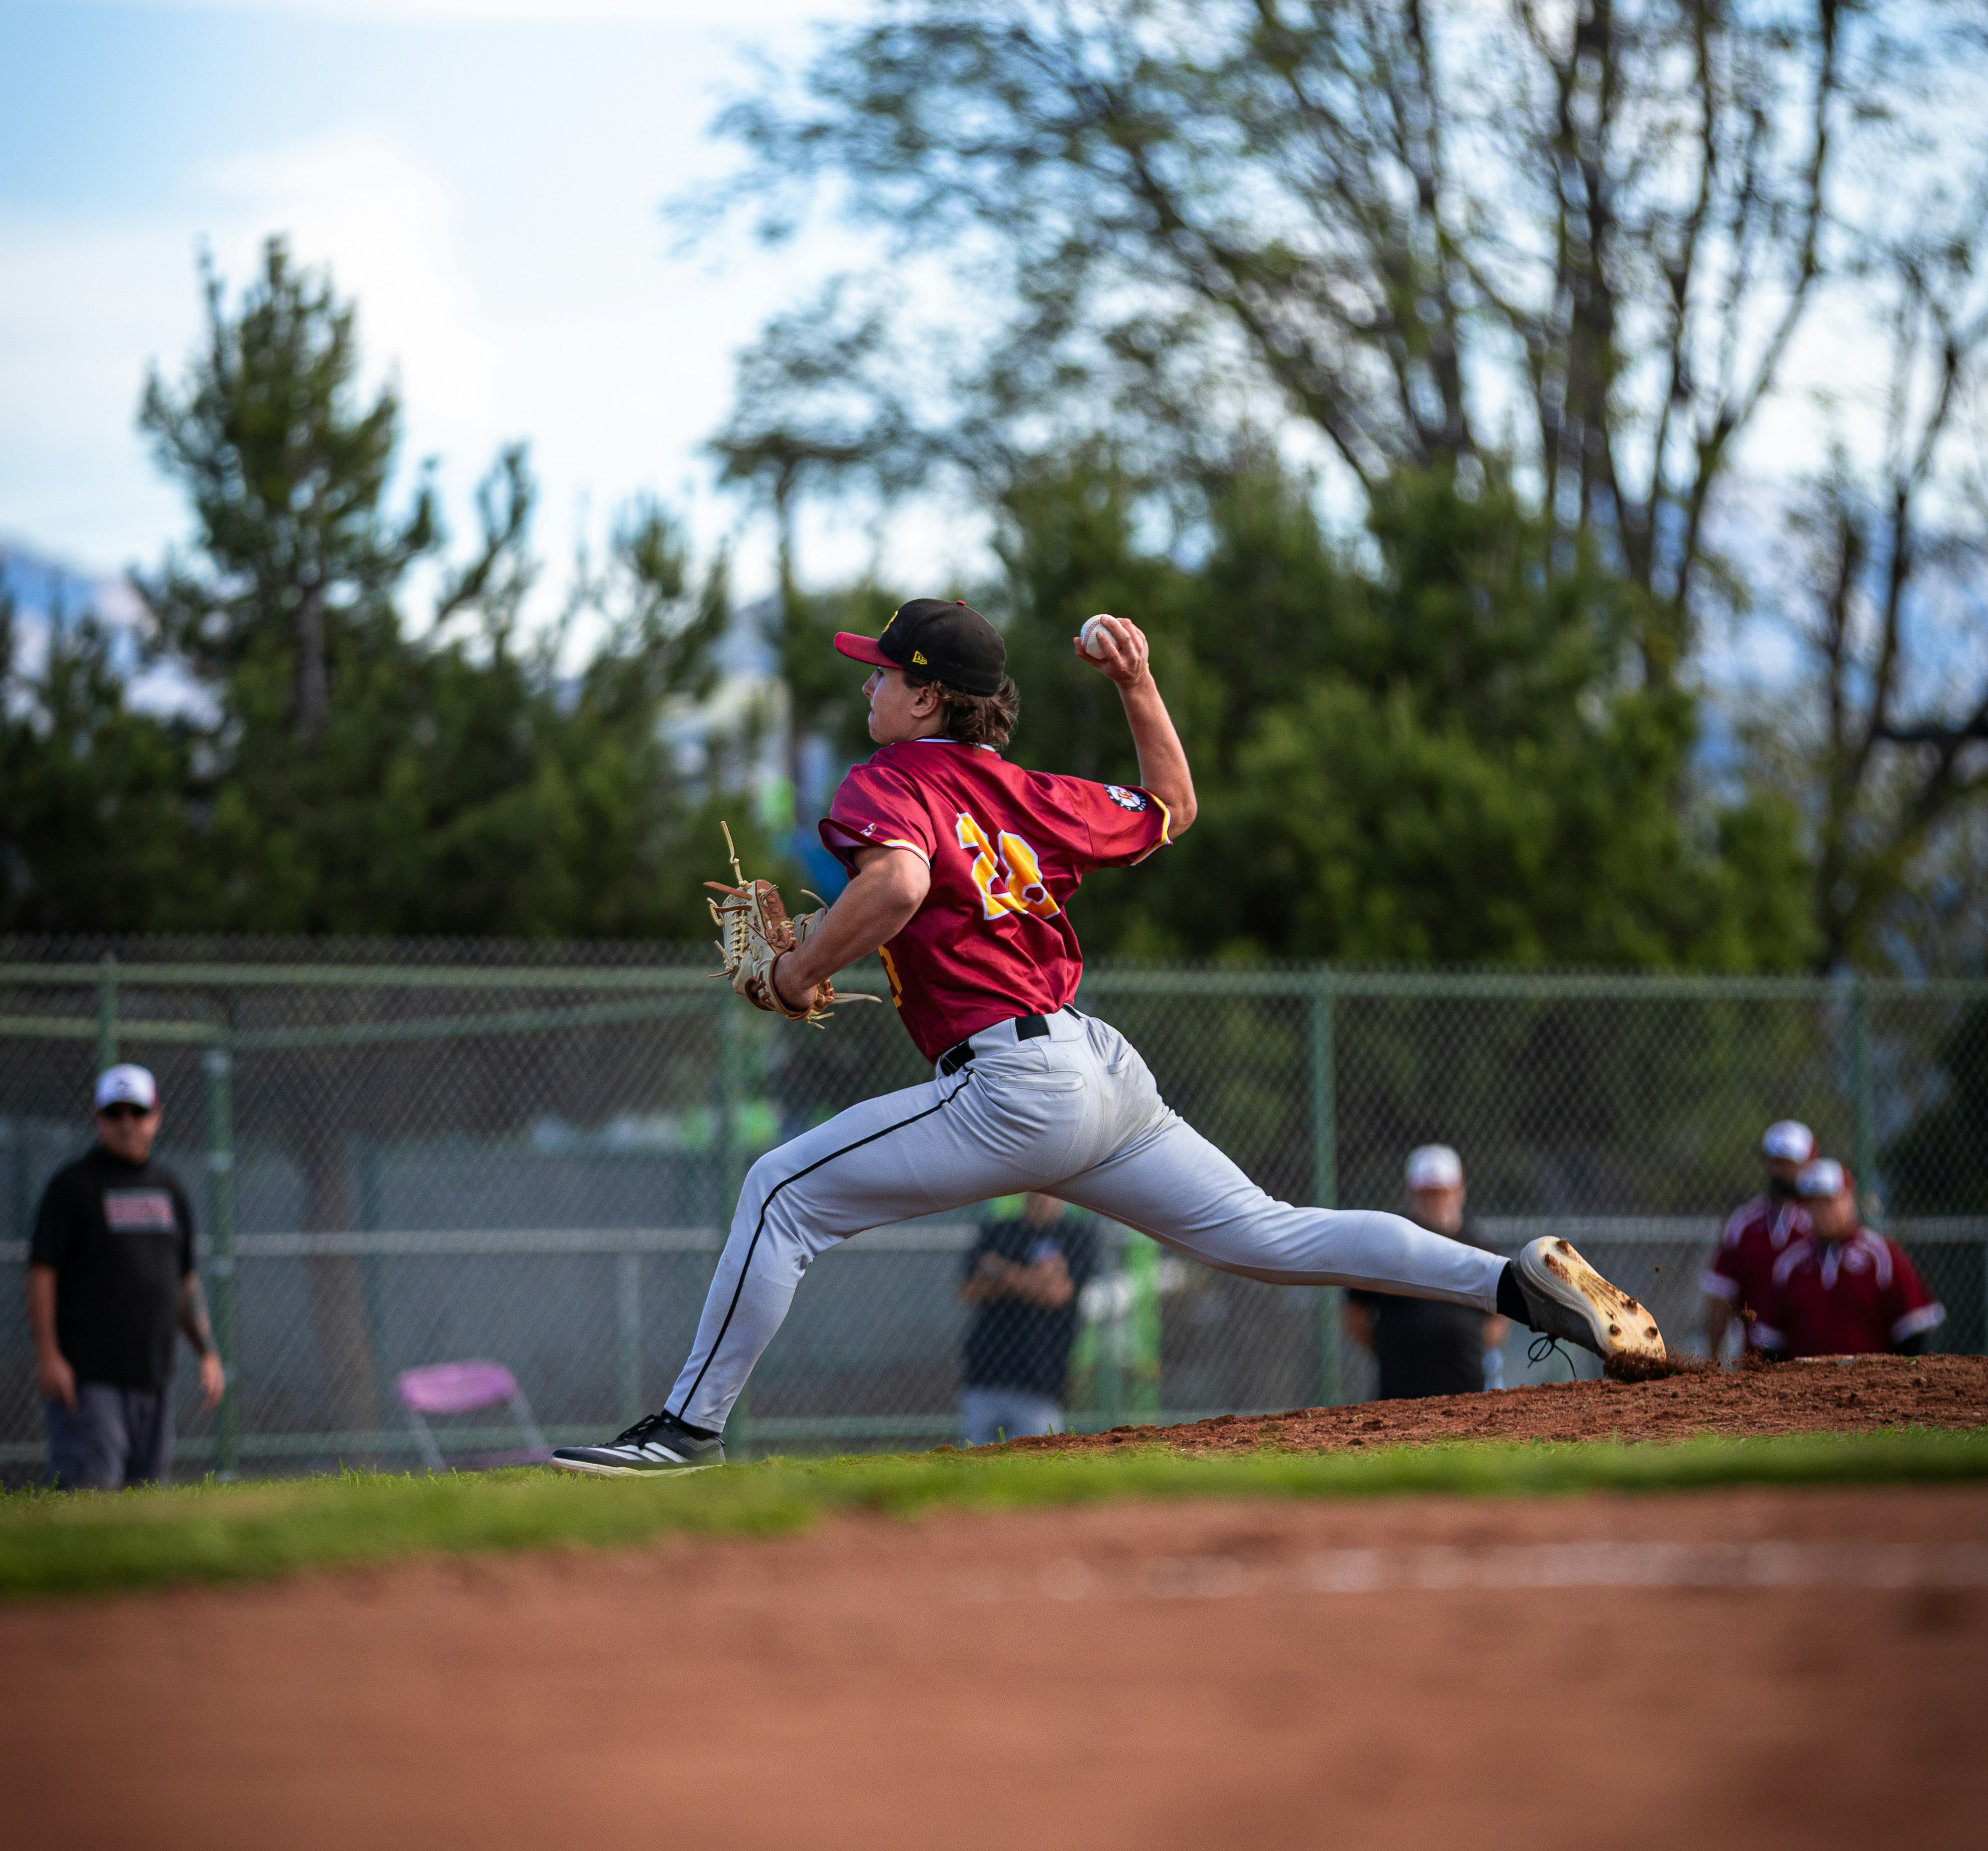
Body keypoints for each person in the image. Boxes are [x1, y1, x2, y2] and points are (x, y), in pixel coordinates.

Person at [552, 599, 1665, 1473]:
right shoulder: (1028, 791)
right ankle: (1514, 1283)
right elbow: (1172, 806)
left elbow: (896, 877)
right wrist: (1138, 680)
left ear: (929, 698)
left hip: (1013, 1085)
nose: (868, 683)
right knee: (1270, 1234)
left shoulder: (888, 778)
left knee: (780, 1193)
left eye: (885, 671)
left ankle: (682, 1430)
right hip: (1101, 1069)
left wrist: (799, 968)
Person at [27, 1063, 225, 1491]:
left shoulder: (169, 1189)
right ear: (98, 1118)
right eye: (114, 1114)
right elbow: (42, 1274)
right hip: (89, 1380)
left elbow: (183, 1282)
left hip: (153, 1378)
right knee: (89, 1502)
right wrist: (48, 1356)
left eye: (136, 1113)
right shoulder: (72, 1187)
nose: (126, 1124)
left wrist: (206, 1352)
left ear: (156, 1116)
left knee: (146, 1509)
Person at [1342, 1144, 1509, 1399]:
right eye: (1428, 1194)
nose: (1436, 1201)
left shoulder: (1480, 1247)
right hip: (1400, 1391)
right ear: (1413, 1193)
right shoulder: (1388, 1245)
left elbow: (1500, 1313)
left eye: (1443, 1193)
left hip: (1466, 1388)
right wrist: (1390, 1349)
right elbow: (1355, 1312)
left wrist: (1469, 1346)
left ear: (1460, 1190)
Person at [1752, 1159, 1946, 1360]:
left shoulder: (1882, 1256)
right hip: (1805, 1387)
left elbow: (1912, 1331)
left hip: (1874, 1385)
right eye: (1813, 1203)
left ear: (1849, 1199)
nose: (1821, 1212)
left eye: (1828, 1201)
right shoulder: (1789, 1264)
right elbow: (1772, 1343)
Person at [957, 1189, 1098, 1444]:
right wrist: (1035, 1280)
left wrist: (1001, 1271)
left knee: (1037, 1473)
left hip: (1041, 1379)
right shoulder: (998, 1232)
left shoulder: (1075, 1235)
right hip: (985, 1375)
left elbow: (1057, 1294)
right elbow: (969, 1290)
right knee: (975, 1472)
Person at [1701, 1119, 1817, 1362]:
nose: (1782, 1172)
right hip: (1757, 1362)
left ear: (1809, 1165)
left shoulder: (1820, 1224)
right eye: (1776, 1162)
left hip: (1813, 1360)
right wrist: (1713, 1359)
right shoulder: (1743, 1224)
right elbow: (1721, 1295)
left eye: (1790, 1164)